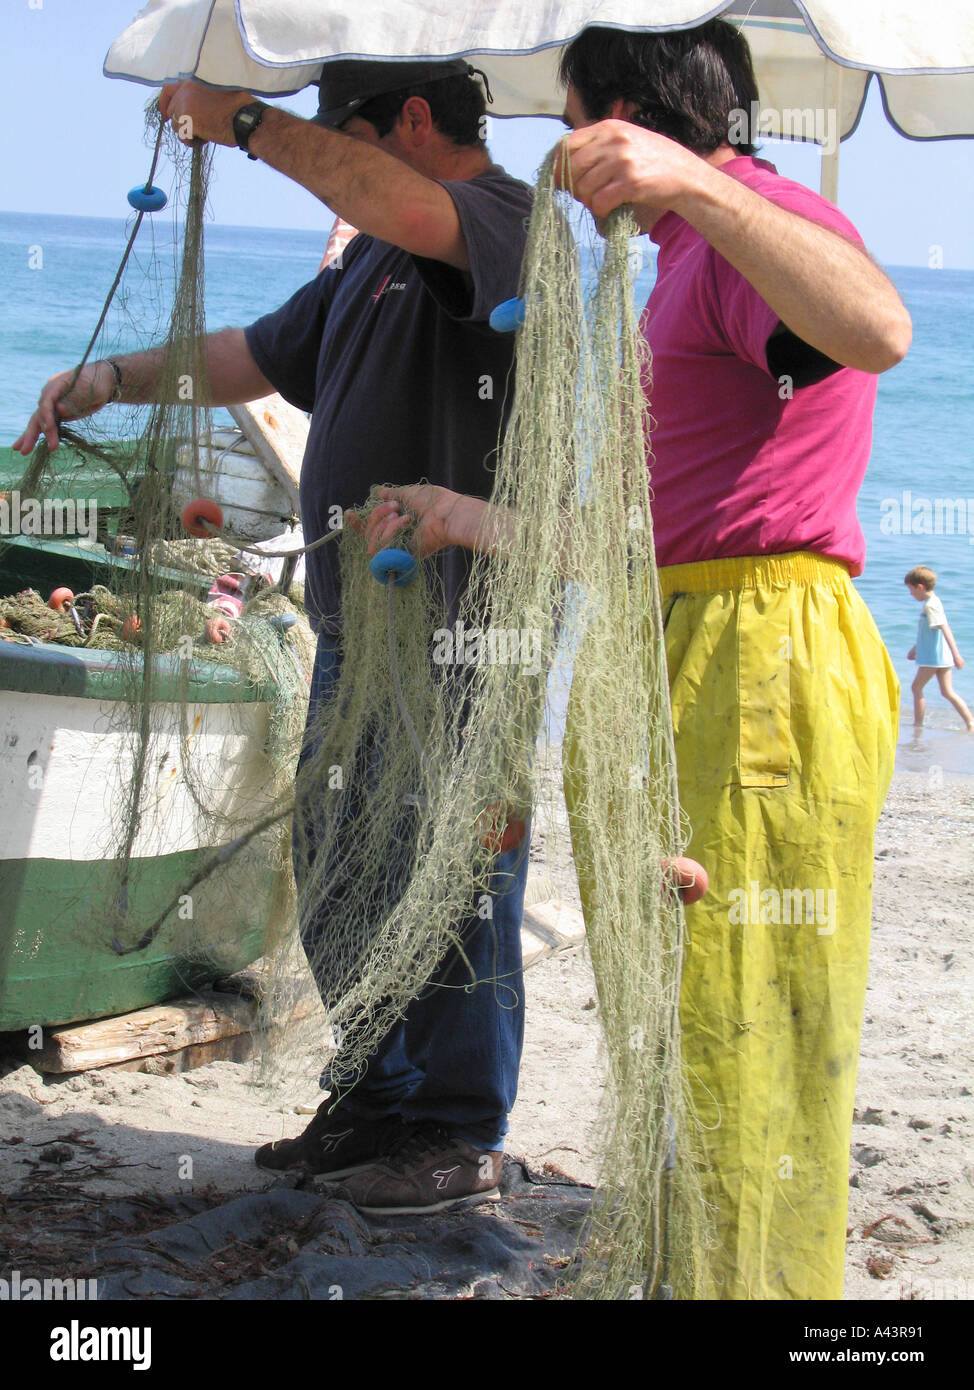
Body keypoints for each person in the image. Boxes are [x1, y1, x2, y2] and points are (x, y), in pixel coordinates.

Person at [367, 20, 912, 1298]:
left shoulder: (735, 231)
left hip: (758, 652)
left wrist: (700, 184)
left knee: (739, 1007)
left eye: (566, 126)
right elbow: (633, 540)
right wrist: (457, 513)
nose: (551, 159)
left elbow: (876, 328)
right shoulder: (666, 264)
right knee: (666, 1003)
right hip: (670, 634)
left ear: (622, 121)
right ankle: (686, 1272)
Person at [15, 59, 535, 1214]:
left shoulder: (496, 223)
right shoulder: (371, 263)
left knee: (451, 883)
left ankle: (456, 1129)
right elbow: (251, 352)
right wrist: (111, 376)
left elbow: (402, 203)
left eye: (339, 141)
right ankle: (376, 1097)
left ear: (409, 121)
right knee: (350, 876)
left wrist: (244, 122)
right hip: (356, 634)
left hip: (458, 646)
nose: (327, 177)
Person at [905, 566, 974, 730]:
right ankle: (970, 723)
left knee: (916, 688)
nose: (911, 594)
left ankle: (918, 725)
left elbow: (945, 629)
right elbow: (928, 632)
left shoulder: (930, 606)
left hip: (933, 657)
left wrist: (957, 654)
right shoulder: (934, 602)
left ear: (920, 587)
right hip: (941, 656)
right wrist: (915, 649)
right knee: (947, 692)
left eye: (911, 590)